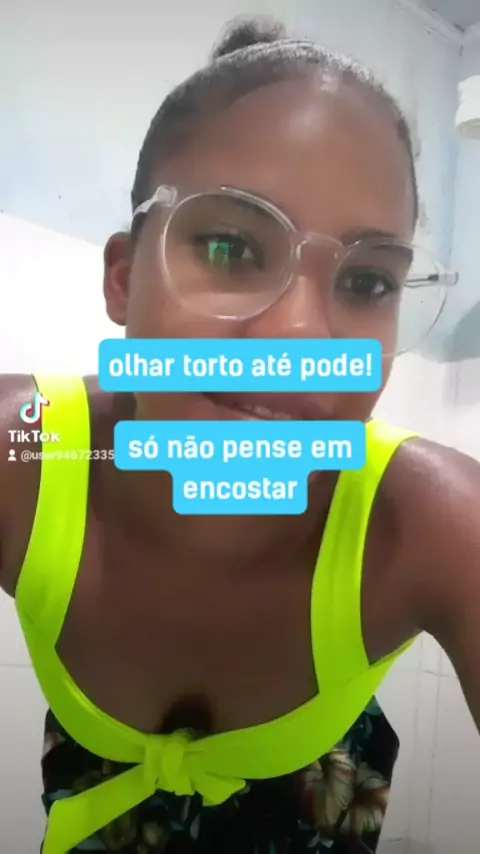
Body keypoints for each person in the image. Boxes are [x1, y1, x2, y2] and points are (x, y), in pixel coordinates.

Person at [0, 15, 479, 854]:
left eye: (369, 280)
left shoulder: (433, 526)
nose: (303, 337)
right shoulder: (27, 455)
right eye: (230, 246)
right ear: (123, 277)